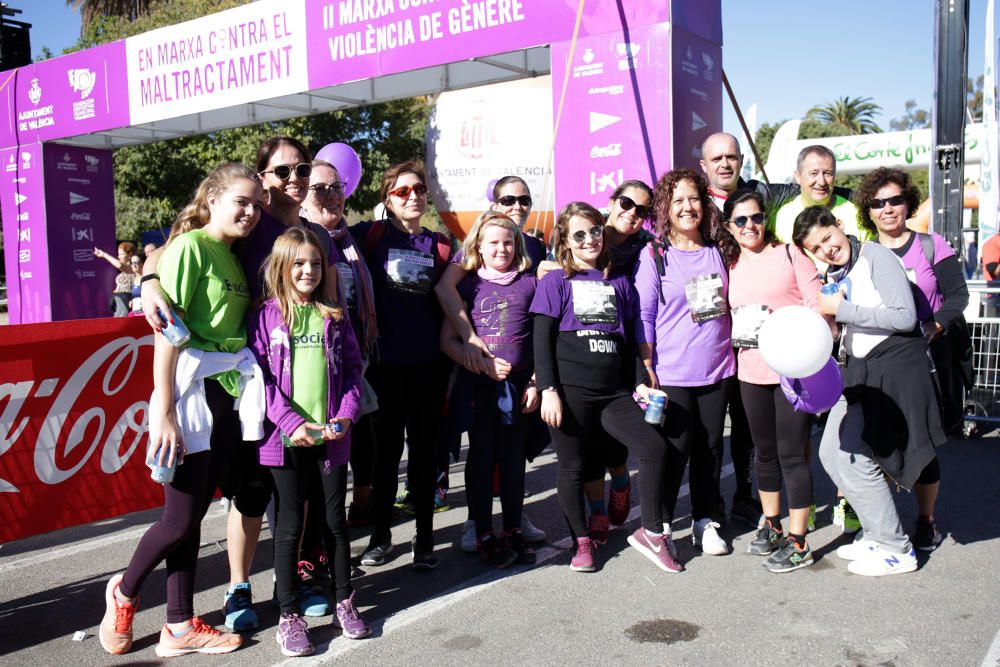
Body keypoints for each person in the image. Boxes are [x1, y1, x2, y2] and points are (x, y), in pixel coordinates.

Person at [140, 137, 336, 631]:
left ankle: (296, 578)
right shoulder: (249, 226)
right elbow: (173, 249)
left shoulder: (319, 236)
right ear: (265, 182)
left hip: (303, 386)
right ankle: (237, 587)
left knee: (300, 490)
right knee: (248, 492)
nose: (294, 178)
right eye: (282, 171)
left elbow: (334, 309)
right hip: (253, 385)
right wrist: (147, 282)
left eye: (302, 169)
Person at [98, 162, 262, 657]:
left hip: (223, 393)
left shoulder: (233, 257)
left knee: (191, 517)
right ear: (212, 199)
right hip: (188, 394)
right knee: (178, 519)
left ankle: (177, 624)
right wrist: (165, 409)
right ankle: (124, 592)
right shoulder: (191, 248)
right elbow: (167, 331)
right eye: (241, 201)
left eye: (256, 203)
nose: (251, 212)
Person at [793, 206, 945, 576]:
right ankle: (878, 533)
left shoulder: (876, 255)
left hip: (891, 373)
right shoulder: (837, 272)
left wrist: (844, 310)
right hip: (858, 375)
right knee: (832, 452)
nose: (826, 249)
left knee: (855, 457)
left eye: (827, 237)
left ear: (839, 226)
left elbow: (903, 317)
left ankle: (895, 546)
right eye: (817, 247)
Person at [530, 201, 675, 573]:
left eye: (594, 230)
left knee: (654, 446)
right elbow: (542, 340)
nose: (589, 239)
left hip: (613, 393)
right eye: (578, 234)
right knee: (573, 467)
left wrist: (640, 383)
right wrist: (548, 389)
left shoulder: (620, 282)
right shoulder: (555, 281)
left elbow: (628, 344)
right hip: (570, 392)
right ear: (565, 240)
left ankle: (652, 532)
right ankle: (582, 542)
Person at [250, 228, 370, 656]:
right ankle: (289, 615)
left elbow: (354, 371)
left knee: (335, 524)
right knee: (288, 529)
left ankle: (345, 601)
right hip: (283, 441)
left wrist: (346, 414)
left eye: (315, 264)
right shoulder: (264, 316)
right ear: (282, 267)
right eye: (299, 263)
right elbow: (259, 379)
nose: (308, 271)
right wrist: (288, 422)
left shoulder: (333, 315)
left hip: (331, 438)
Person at [434, 175, 549, 551]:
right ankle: (479, 525)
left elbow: (541, 339)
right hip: (478, 388)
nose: (502, 249)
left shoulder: (531, 283)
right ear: (479, 248)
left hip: (518, 389)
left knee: (514, 460)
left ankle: (514, 524)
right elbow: (447, 341)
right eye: (493, 243)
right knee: (481, 457)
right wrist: (473, 357)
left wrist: (534, 380)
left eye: (508, 243)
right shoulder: (468, 285)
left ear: (518, 246)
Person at [856, 167, 968, 549]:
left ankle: (926, 521)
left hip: (925, 361)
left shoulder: (932, 245)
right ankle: (881, 525)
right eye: (878, 202)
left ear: (908, 202)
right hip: (879, 362)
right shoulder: (862, 253)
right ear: (868, 210)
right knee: (878, 442)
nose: (887, 209)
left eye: (895, 200)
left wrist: (935, 325)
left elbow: (958, 296)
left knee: (921, 445)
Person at [718, 190, 831, 572]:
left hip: (793, 372)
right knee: (763, 454)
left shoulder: (788, 254)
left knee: (792, 455)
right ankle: (772, 523)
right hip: (750, 372)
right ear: (729, 226)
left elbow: (818, 306)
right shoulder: (727, 262)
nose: (751, 226)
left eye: (756, 218)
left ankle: (799, 541)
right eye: (741, 220)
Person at [354, 160, 452, 570]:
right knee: (386, 455)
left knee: (427, 454)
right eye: (402, 191)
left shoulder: (442, 245)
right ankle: (380, 536)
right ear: (387, 199)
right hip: (384, 365)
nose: (413, 197)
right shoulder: (368, 236)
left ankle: (425, 538)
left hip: (430, 365)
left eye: (419, 190)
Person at [635, 168, 736, 557]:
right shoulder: (655, 255)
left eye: (693, 198)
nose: (687, 207)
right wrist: (647, 365)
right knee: (675, 448)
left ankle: (704, 520)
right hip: (672, 371)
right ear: (664, 208)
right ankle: (660, 525)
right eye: (677, 200)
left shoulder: (719, 250)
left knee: (710, 448)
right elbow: (643, 314)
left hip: (718, 368)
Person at [301, 159, 379, 529]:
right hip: (310, 364)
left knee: (362, 438)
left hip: (357, 355)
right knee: (320, 457)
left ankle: (361, 508)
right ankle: (313, 542)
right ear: (303, 195)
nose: (331, 195)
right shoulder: (297, 239)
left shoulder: (356, 239)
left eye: (337, 187)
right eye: (320, 188)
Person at [771, 145, 867, 245]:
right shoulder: (780, 219)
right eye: (814, 173)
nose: (821, 182)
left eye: (827, 173)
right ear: (798, 176)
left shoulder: (857, 214)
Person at [94, 241, 138, 317]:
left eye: (121, 254)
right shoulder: (121, 273)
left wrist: (104, 255)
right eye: (118, 254)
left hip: (127, 301)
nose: (118, 257)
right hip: (118, 301)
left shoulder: (134, 268)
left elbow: (119, 265)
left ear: (130, 254)